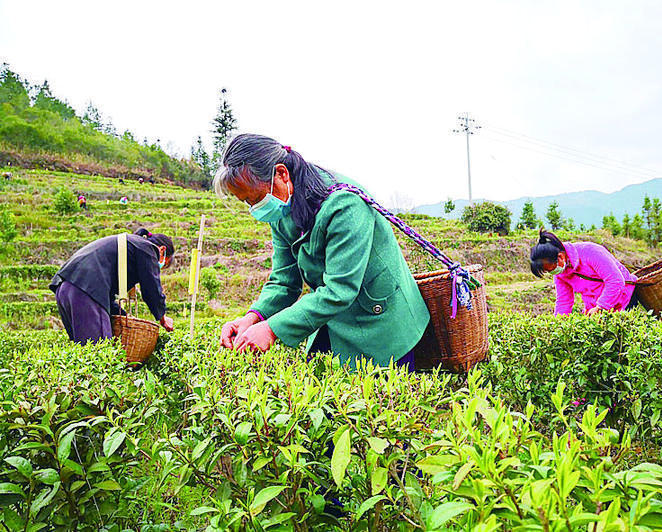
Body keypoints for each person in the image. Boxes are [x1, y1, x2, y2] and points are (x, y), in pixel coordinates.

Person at [214, 133, 430, 370]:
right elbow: (284, 281)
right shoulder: (280, 207)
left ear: (282, 174)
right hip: (334, 319)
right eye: (247, 202)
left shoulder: (345, 204)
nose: (255, 208)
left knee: (380, 400)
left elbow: (340, 290)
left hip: (380, 324)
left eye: (255, 198)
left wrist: (271, 329)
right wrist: (253, 317)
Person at [49, 228, 175, 344]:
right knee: (99, 351)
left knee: (83, 349)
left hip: (66, 288)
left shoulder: (132, 245)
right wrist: (162, 317)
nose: (158, 266)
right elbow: (151, 289)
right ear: (162, 250)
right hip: (86, 290)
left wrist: (123, 315)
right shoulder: (148, 248)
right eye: (162, 265)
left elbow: (107, 297)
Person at [530, 229, 641, 315]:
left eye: (552, 269)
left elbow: (615, 280)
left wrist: (601, 307)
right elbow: (564, 301)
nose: (554, 272)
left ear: (560, 257)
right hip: (596, 308)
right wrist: (558, 325)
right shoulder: (560, 273)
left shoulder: (590, 252)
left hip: (623, 298)